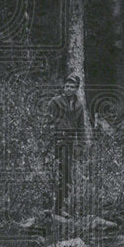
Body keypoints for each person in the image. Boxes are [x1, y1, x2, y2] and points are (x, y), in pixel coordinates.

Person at [47, 74, 87, 215]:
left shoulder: (79, 105)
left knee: (66, 175)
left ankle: (60, 207)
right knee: (53, 173)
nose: (68, 89)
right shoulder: (55, 102)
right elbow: (47, 122)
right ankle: (48, 207)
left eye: (72, 87)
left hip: (69, 142)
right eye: (66, 86)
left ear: (76, 89)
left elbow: (81, 127)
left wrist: (81, 145)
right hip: (55, 141)